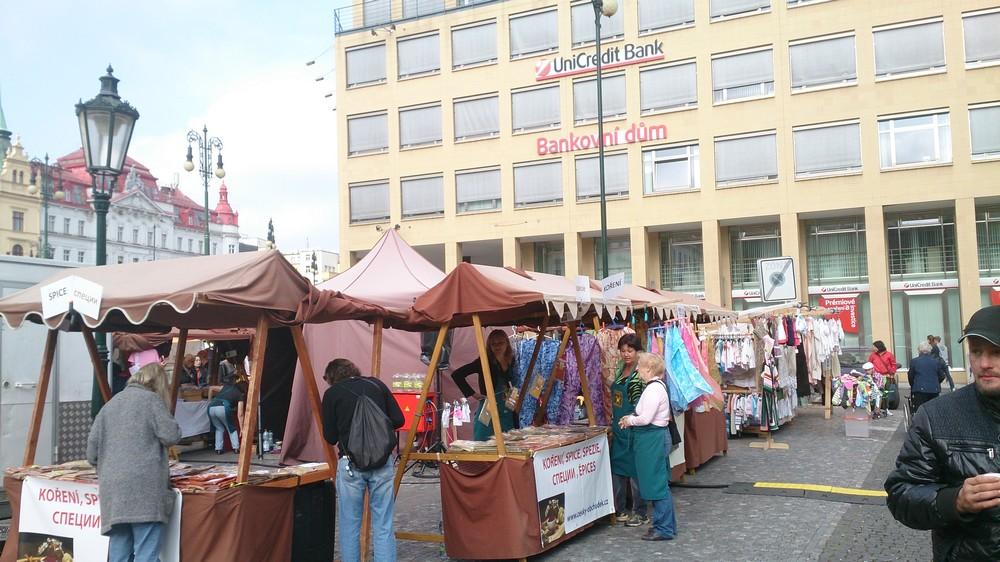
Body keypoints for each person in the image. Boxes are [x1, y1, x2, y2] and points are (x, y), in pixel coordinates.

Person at [885, 305, 1000, 560]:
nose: (984, 363)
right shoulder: (936, 417)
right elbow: (901, 493)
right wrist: (954, 501)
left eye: (996, 353)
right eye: (976, 352)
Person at [87, 363, 181, 562]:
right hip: (145, 491)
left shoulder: (109, 405)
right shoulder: (152, 401)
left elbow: (91, 454)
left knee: (119, 554)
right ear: (158, 384)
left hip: (113, 493)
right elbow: (172, 435)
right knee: (146, 553)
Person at [321, 358, 404, 562]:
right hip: (382, 461)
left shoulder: (332, 394)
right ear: (354, 370)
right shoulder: (376, 385)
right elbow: (399, 420)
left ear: (331, 377)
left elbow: (330, 437)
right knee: (383, 525)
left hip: (350, 465)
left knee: (350, 526)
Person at [618, 352, 677, 542]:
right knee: (657, 483)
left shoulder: (653, 389)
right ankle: (664, 525)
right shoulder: (657, 387)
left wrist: (629, 420)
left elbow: (645, 418)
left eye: (640, 366)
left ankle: (664, 528)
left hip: (652, 440)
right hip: (652, 439)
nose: (637, 369)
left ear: (649, 369)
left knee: (656, 484)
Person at [608, 333, 649, 528]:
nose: (626, 354)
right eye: (623, 351)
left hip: (633, 428)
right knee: (618, 470)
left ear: (637, 351)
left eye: (630, 350)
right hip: (618, 428)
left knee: (635, 472)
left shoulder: (640, 374)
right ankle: (620, 509)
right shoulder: (619, 370)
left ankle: (640, 512)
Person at [451, 329, 518, 441]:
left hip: (507, 408)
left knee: (508, 441)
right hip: (488, 407)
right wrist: (473, 394)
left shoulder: (513, 360)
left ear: (507, 343)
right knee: (484, 440)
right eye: (493, 344)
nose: (497, 347)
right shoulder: (484, 361)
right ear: (489, 346)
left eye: (500, 343)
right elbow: (457, 375)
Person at [207, 372, 245, 454]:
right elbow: (240, 414)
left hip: (211, 407)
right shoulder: (239, 394)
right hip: (223, 407)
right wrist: (242, 428)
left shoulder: (223, 387)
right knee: (231, 428)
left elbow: (211, 388)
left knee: (219, 428)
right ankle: (236, 448)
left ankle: (218, 449)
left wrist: (209, 402)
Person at [908, 341, 949, 412]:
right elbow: (942, 376)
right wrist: (935, 382)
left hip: (919, 390)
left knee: (920, 411)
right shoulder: (936, 361)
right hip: (934, 390)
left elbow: (911, 376)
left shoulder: (914, 361)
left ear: (919, 351)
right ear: (930, 350)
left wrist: (913, 385)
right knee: (933, 411)